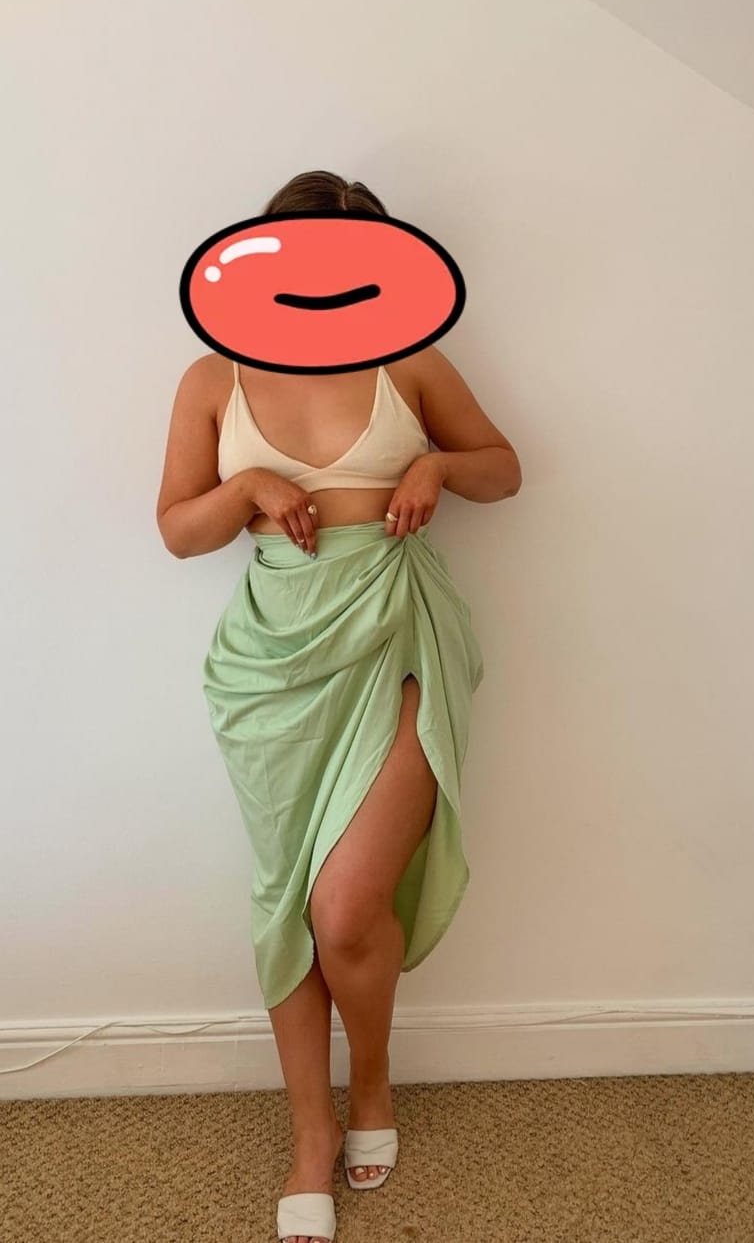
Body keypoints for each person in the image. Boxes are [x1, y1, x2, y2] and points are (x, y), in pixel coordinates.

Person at [156, 169, 522, 1243]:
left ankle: (371, 1080)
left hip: (396, 633)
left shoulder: (412, 357)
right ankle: (310, 1133)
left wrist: (438, 466)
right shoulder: (211, 376)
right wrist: (245, 491)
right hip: (270, 664)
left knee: (346, 907)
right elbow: (177, 529)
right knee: (287, 901)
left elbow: (504, 469)